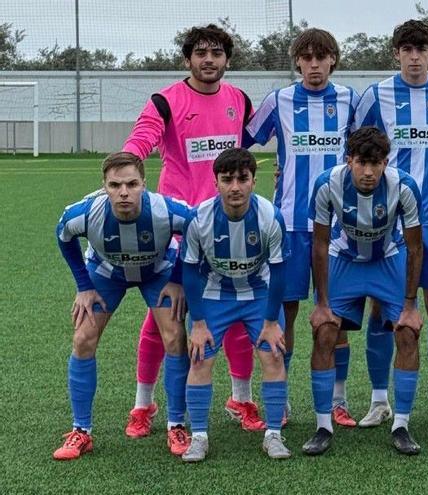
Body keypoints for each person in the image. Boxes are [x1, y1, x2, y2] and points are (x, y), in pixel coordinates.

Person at [122, 24, 263, 435]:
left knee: (235, 319)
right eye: (200, 53)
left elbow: (251, 147)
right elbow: (143, 138)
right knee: (162, 319)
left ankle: (241, 399)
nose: (208, 60)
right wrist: (126, 167)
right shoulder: (166, 101)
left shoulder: (239, 99)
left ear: (227, 59)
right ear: (187, 59)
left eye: (216, 53)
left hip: (228, 227)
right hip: (178, 231)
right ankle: (143, 407)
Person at [351, 19, 428, 428]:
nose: (414, 57)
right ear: (396, 52)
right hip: (389, 222)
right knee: (384, 307)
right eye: (407, 49)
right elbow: (355, 146)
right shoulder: (377, 94)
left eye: (422, 49)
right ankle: (380, 400)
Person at [246, 27, 361, 427]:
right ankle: (284, 396)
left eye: (322, 57)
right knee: (286, 310)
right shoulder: (279, 100)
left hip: (340, 225)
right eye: (307, 58)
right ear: (297, 62)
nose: (314, 65)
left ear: (333, 60)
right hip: (290, 223)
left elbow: (369, 147)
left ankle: (338, 400)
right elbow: (243, 138)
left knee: (337, 313)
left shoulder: (350, 100)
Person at [53, 152, 192, 460]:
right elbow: (63, 235)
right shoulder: (86, 213)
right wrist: (83, 286)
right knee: (82, 339)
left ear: (145, 184)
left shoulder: (164, 211)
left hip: (157, 271)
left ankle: (177, 424)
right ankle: (81, 431)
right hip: (107, 273)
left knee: (174, 337)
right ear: (104, 187)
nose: (124, 192)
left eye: (131, 183)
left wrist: (178, 279)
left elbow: (195, 228)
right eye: (115, 185)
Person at [304, 127, 424, 456]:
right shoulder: (327, 183)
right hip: (345, 260)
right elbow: (320, 243)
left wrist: (411, 305)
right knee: (325, 331)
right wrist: (322, 303)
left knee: (407, 332)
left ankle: (401, 424)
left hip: (387, 260)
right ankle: (323, 426)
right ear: (348, 160)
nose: (369, 172)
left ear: (386, 162)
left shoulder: (404, 186)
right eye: (361, 163)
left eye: (376, 164)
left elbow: (415, 249)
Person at [179, 148, 289, 462]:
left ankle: (273, 436)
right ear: (216, 182)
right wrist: (198, 322)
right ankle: (199, 436)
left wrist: (270, 322)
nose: (235, 187)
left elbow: (279, 270)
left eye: (242, 179)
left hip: (259, 295)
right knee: (200, 359)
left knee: (274, 357)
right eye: (227, 180)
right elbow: (189, 269)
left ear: (254, 181)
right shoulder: (199, 218)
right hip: (215, 294)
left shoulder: (270, 216)